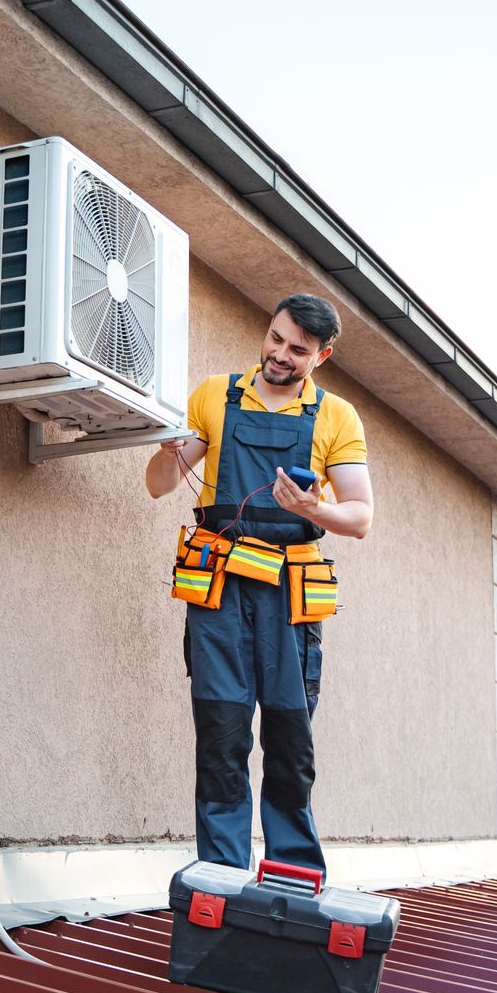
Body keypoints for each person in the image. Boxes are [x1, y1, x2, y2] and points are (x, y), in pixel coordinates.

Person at [144, 294, 374, 873]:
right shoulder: (214, 397)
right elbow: (157, 485)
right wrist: (167, 450)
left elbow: (361, 518)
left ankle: (294, 882)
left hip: (289, 596)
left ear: (322, 355)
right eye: (276, 339)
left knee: (290, 744)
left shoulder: (336, 416)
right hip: (219, 590)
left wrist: (314, 509)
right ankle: (221, 881)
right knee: (222, 738)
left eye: (298, 349)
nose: (280, 355)